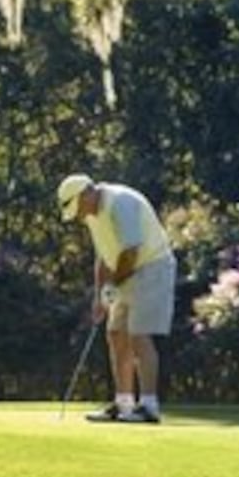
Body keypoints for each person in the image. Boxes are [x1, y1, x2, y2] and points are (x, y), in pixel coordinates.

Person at [57, 173, 177, 425]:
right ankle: (123, 403)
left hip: (152, 266)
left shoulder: (120, 202)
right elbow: (104, 257)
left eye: (77, 208)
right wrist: (100, 296)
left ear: (85, 194)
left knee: (139, 334)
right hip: (125, 270)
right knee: (115, 333)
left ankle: (148, 406)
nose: (78, 216)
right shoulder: (92, 214)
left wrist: (113, 285)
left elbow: (131, 251)